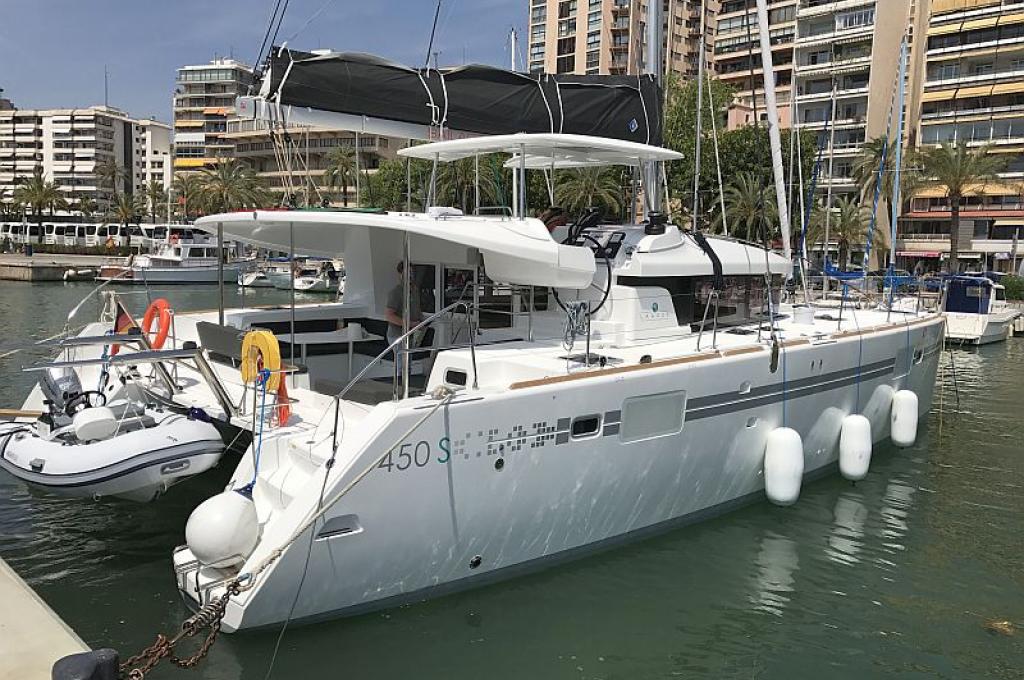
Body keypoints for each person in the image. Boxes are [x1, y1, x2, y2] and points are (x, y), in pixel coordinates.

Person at [385, 260, 422, 345]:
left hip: (412, 334)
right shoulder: (396, 292)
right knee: (402, 354)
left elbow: (417, 310)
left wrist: (422, 322)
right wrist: (410, 324)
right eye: (407, 273)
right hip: (397, 336)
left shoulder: (415, 291)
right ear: (400, 274)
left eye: (411, 272)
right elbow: (389, 316)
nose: (410, 275)